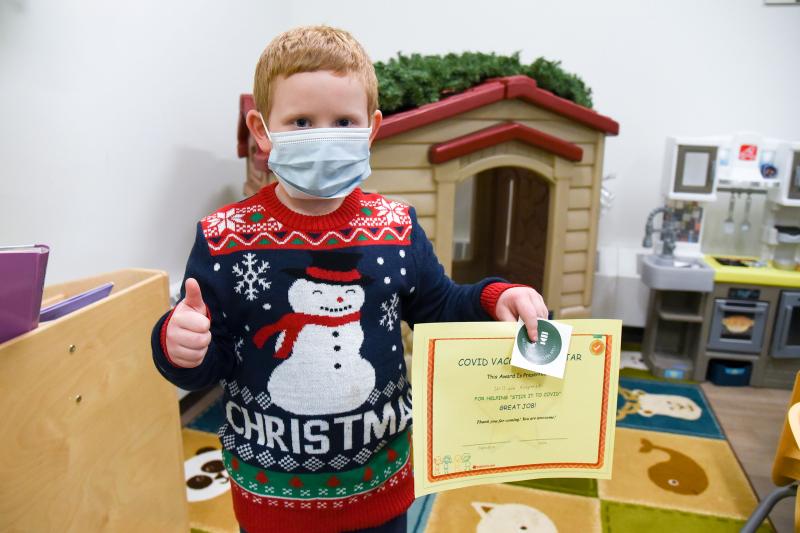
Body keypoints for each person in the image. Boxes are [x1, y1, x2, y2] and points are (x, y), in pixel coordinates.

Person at [150, 25, 548, 533]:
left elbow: (440, 305)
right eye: (300, 121)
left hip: (378, 491)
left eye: (343, 120)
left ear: (372, 127)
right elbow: (210, 359)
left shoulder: (396, 227)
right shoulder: (223, 237)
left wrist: (497, 296)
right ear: (261, 128)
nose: (323, 134)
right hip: (272, 501)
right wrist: (178, 344)